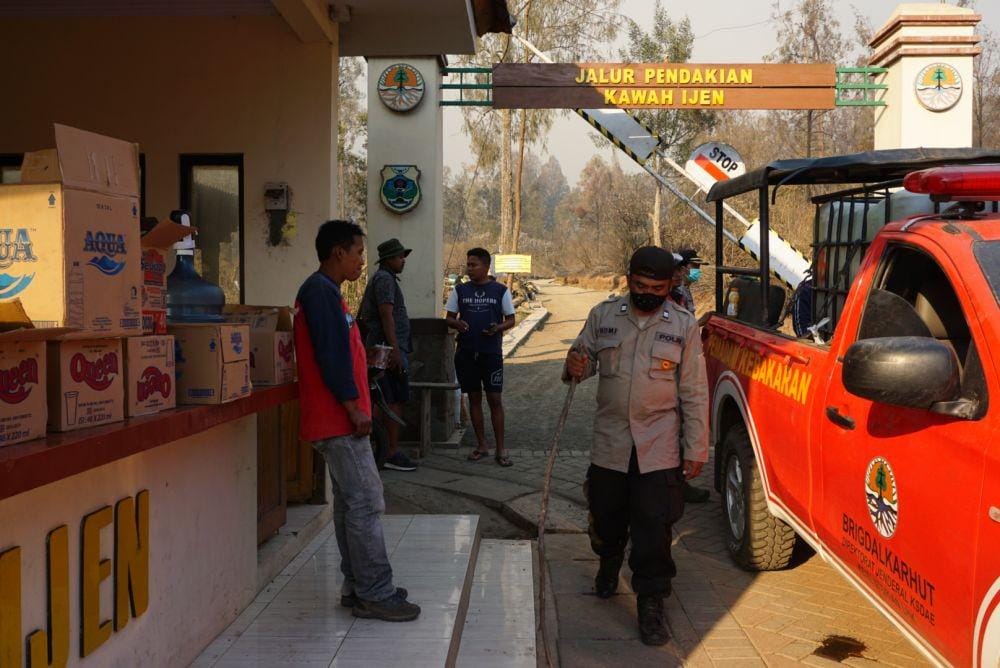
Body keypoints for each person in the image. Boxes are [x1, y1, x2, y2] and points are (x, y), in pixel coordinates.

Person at [564, 246, 708, 646]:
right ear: (628, 280)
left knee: (653, 528)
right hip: (610, 442)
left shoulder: (682, 324)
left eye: (656, 288)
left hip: (659, 443)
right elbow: (582, 358)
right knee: (606, 517)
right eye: (640, 285)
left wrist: (697, 447)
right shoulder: (604, 316)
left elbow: (695, 390)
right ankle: (608, 559)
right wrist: (574, 364)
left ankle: (651, 601)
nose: (647, 293)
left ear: (670, 286)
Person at [293, 220, 419, 622]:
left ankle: (358, 586)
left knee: (351, 504)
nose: (363, 261)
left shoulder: (329, 293)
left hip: (340, 416)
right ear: (337, 252)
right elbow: (330, 356)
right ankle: (375, 593)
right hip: (338, 419)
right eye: (359, 253)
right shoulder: (319, 292)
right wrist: (352, 407)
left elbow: (340, 353)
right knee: (366, 501)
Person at [444, 248, 516, 467]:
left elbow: (511, 319)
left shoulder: (500, 291)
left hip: (491, 354)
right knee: (474, 399)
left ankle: (501, 450)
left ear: (486, 267)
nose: (469, 268)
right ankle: (482, 445)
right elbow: (449, 317)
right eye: (468, 264)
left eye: (473, 264)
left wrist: (498, 328)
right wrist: (457, 323)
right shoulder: (460, 291)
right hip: (466, 353)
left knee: (495, 400)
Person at [359, 238, 418, 472]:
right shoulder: (383, 279)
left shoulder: (386, 279)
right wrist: (393, 350)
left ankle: (382, 450)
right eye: (400, 256)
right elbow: (386, 316)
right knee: (391, 400)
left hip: (389, 347)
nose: (403, 260)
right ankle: (389, 451)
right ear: (388, 259)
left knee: (388, 399)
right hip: (386, 350)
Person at [668, 249, 711, 505]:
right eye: (688, 267)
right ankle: (675, 486)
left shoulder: (683, 291)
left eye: (690, 267)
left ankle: (679, 484)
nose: (689, 271)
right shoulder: (669, 295)